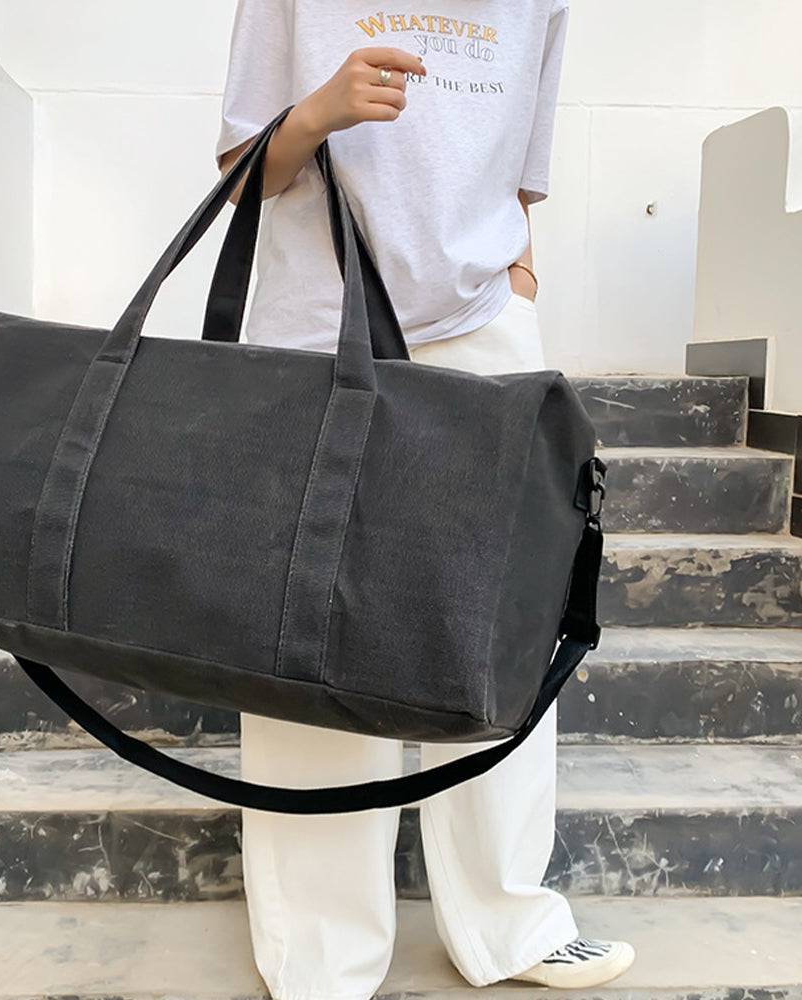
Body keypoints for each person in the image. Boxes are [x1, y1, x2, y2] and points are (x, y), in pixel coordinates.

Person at [214, 3, 636, 998]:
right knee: (308, 638)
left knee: (500, 631)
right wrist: (316, 113)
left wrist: (519, 278)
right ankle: (320, 953)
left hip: (484, 328)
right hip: (316, 327)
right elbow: (240, 176)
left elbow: (515, 180)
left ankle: (508, 922)